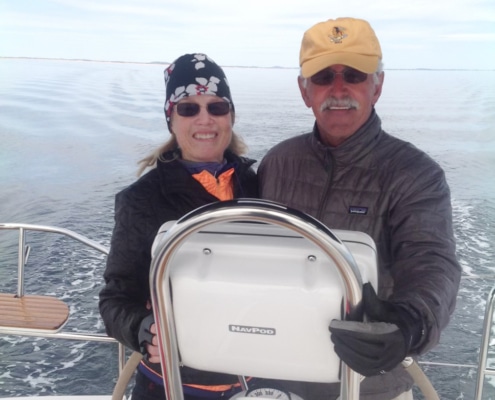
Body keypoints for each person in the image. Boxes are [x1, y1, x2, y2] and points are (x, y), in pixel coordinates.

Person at [258, 17, 461, 400]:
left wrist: (407, 325)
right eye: (322, 77)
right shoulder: (277, 162)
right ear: (304, 91)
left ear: (377, 86)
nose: (338, 89)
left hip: (371, 384)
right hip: (277, 377)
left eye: (353, 74)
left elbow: (432, 261)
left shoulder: (416, 174)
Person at [99, 53, 258, 400]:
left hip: (255, 380)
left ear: (231, 117)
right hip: (172, 386)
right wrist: (143, 331)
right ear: (171, 119)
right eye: (188, 108)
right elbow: (114, 299)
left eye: (217, 107)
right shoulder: (141, 199)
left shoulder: (257, 186)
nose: (205, 119)